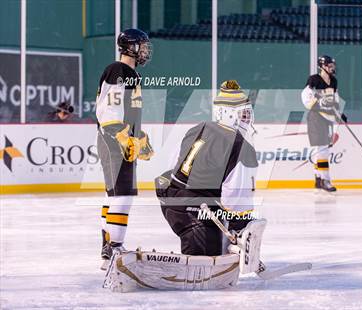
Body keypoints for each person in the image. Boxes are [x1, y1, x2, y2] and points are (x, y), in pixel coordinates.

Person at [156, 80, 260, 257]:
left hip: (170, 200)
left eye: (248, 115)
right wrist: (240, 230)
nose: (247, 120)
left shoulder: (198, 128)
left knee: (211, 242)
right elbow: (236, 199)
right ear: (227, 113)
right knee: (205, 260)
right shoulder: (239, 145)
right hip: (197, 211)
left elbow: (171, 167)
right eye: (243, 115)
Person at [96, 28, 154, 269]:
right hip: (114, 140)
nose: (145, 51)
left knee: (115, 195)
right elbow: (108, 110)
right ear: (131, 47)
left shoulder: (127, 73)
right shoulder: (120, 70)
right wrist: (122, 136)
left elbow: (124, 111)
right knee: (124, 195)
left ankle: (108, 248)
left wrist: (140, 136)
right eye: (142, 46)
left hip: (114, 139)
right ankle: (115, 249)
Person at [301, 55, 347, 192]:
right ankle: (326, 180)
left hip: (328, 119)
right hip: (316, 119)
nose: (333, 68)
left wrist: (340, 113)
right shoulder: (314, 79)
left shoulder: (334, 81)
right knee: (323, 150)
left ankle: (318, 179)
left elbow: (335, 99)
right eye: (330, 65)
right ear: (323, 66)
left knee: (320, 150)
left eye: (333, 65)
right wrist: (317, 105)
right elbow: (305, 95)